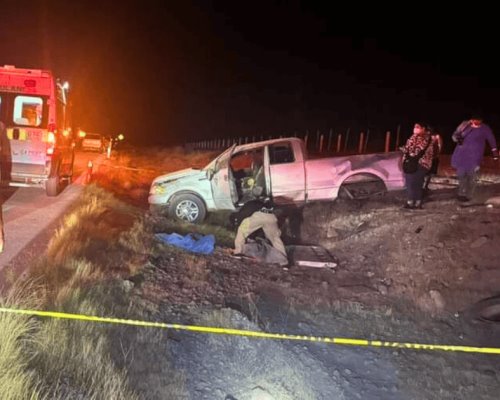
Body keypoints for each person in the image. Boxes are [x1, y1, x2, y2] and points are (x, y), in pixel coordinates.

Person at [451, 115, 498, 202]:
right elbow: (454, 136)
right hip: (461, 154)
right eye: (473, 120)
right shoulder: (465, 125)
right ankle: (462, 193)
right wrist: (457, 138)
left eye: (477, 120)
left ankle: (469, 195)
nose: (474, 122)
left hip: (474, 156)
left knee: (471, 176)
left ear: (481, 120)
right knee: (461, 175)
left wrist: (494, 151)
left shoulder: (485, 128)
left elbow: (491, 139)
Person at [230, 199, 287, 264]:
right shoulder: (253, 203)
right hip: (272, 216)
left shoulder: (241, 214)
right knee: (275, 238)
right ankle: (284, 261)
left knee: (241, 231)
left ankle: (238, 251)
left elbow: (245, 226)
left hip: (259, 215)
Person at [401, 122, 434, 209]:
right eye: (415, 126)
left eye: (418, 127)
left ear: (423, 129)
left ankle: (417, 202)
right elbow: (408, 149)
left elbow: (419, 150)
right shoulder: (412, 138)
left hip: (421, 163)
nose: (415, 128)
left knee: (417, 183)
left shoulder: (426, 139)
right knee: (409, 182)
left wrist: (409, 154)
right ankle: (410, 201)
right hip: (410, 163)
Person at [423, 126, 443, 195]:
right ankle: (423, 186)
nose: (428, 132)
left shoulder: (436, 136)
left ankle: (425, 186)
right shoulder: (425, 137)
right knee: (425, 172)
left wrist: (437, 154)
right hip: (427, 157)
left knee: (430, 173)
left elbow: (440, 146)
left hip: (433, 157)